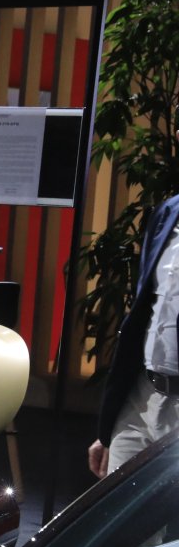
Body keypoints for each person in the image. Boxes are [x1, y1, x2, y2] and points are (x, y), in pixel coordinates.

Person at [88, 192, 179, 478]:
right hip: (141, 397)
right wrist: (109, 428)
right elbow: (143, 310)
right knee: (115, 501)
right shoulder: (170, 210)